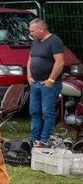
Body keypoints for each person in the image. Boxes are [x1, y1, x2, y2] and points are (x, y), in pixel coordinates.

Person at [27, 18, 65, 146]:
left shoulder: (54, 41)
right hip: (35, 83)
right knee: (34, 111)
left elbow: (60, 62)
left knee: (47, 112)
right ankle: (34, 138)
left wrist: (51, 80)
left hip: (48, 84)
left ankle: (44, 139)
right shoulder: (35, 42)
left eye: (32, 31)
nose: (31, 33)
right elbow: (30, 59)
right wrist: (29, 76)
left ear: (41, 29)